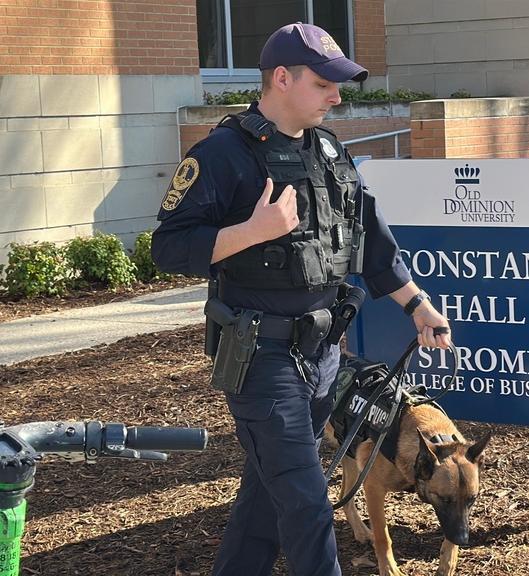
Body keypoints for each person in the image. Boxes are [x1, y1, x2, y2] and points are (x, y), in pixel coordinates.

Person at [150, 22, 452, 576]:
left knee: (269, 496)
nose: (337, 97)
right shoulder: (223, 154)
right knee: (309, 503)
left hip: (324, 357)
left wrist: (417, 307)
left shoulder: (330, 151)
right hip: (260, 360)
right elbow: (167, 248)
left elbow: (372, 244)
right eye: (324, 84)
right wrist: (252, 230)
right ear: (282, 78)